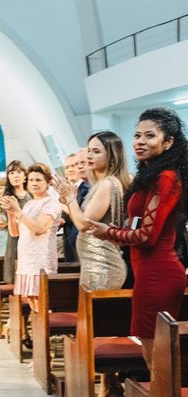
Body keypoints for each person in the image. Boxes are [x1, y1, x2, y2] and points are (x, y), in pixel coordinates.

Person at [87, 107, 188, 372]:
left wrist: (107, 232)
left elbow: (146, 236)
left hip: (159, 274)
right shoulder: (151, 175)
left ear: (168, 142)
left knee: (157, 352)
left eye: (150, 136)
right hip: (147, 272)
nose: (140, 141)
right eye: (137, 135)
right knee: (151, 348)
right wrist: (116, 233)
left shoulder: (166, 178)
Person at [52, 132, 131, 397]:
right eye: (89, 150)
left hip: (103, 266)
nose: (89, 156)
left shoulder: (108, 184)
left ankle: (109, 390)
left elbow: (85, 224)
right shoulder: (103, 184)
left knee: (100, 330)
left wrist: (69, 198)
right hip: (94, 263)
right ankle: (110, 389)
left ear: (112, 155)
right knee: (101, 328)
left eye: (96, 151)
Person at [1, 163, 61, 313]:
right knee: (30, 299)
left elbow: (39, 229)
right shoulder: (29, 204)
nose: (34, 183)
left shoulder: (51, 202)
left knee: (42, 302)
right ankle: (38, 335)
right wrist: (10, 212)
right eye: (31, 180)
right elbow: (15, 233)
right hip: (26, 258)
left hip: (41, 259)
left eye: (38, 180)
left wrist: (18, 211)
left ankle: (45, 333)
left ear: (48, 182)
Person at [0, 160, 30, 284]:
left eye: (19, 172)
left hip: (35, 239)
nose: (15, 176)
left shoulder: (33, 194)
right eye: (11, 173)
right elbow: (13, 230)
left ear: (25, 175)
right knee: (19, 281)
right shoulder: (7, 198)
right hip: (17, 241)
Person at [61, 153, 79, 262]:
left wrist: (61, 205)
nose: (70, 170)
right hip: (68, 240)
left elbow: (82, 216)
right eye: (67, 167)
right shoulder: (65, 190)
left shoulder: (86, 188)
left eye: (73, 166)